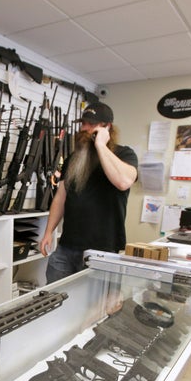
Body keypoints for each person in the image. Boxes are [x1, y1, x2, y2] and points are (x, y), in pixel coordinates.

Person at [39, 102, 138, 283]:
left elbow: (123, 182)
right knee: (54, 298)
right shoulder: (74, 158)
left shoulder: (124, 154)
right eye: (83, 123)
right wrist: (48, 232)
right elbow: (61, 197)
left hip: (102, 250)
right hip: (67, 246)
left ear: (107, 127)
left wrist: (100, 145)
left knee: (93, 306)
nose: (84, 128)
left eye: (91, 124)